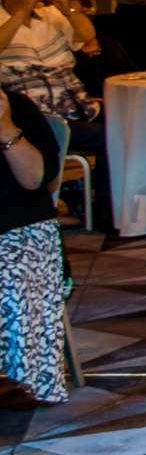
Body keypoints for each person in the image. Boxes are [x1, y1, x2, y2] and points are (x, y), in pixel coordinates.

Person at [0, 0, 111, 231]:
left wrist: (68, 10)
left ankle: (133, 204)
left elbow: (87, 36)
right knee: (106, 136)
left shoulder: (51, 15)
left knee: (130, 121)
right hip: (35, 111)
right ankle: (103, 208)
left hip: (76, 102)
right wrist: (21, 12)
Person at [0, 85, 70, 404]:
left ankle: (15, 376)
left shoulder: (17, 108)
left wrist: (5, 129)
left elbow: (36, 179)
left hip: (20, 233)